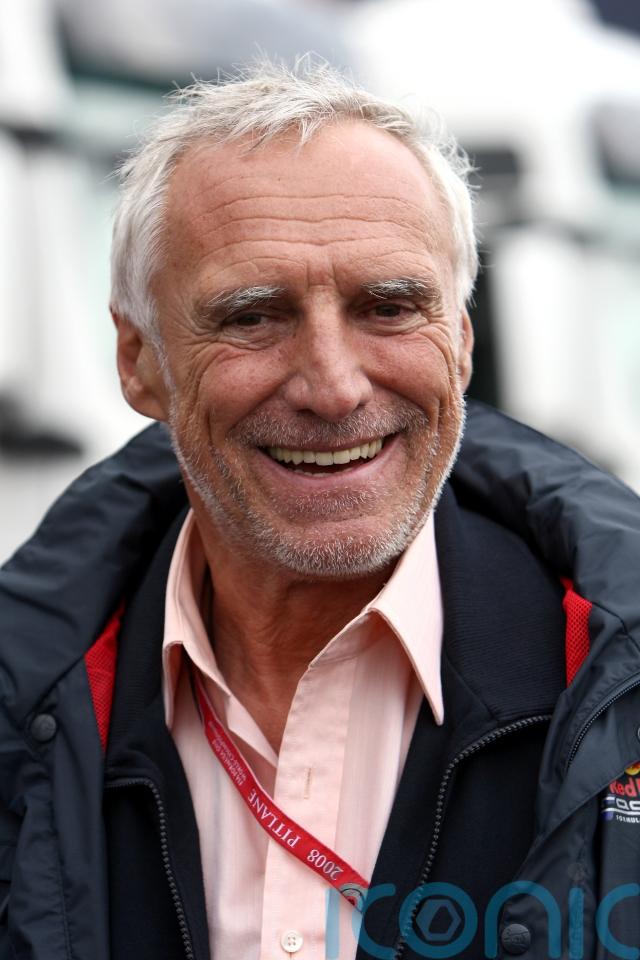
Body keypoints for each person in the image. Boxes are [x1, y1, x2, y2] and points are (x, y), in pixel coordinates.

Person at [1, 59, 640, 960]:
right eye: (253, 317)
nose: (334, 388)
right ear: (140, 361)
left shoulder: (612, 686)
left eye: (390, 307)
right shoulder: (28, 696)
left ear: (461, 341)